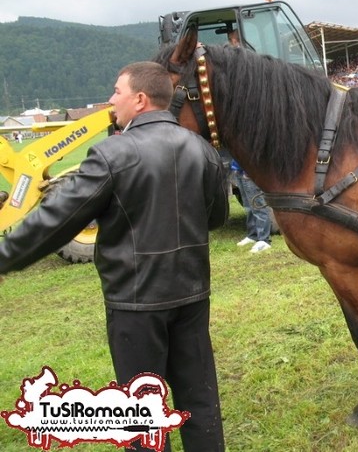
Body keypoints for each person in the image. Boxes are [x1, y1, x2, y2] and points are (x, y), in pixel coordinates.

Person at [0, 62, 229, 451]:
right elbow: (217, 217)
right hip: (191, 293)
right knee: (200, 397)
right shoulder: (201, 148)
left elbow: (53, 221)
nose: (110, 100)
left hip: (135, 303)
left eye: (116, 91)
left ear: (140, 99)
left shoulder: (111, 154)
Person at [231, 159, 272, 253]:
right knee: (248, 207)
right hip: (239, 169)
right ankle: (252, 235)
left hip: (250, 170)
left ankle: (264, 240)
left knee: (258, 206)